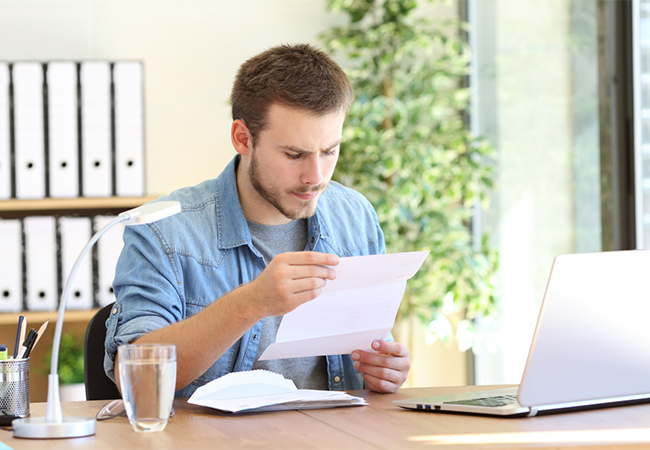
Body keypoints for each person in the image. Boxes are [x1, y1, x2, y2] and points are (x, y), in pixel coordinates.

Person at [104, 43, 411, 397]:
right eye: (294, 154)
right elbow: (138, 382)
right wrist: (251, 303)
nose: (316, 176)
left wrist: (386, 368)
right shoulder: (164, 232)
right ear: (242, 139)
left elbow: (373, 342)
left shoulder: (354, 216)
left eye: (329, 151)